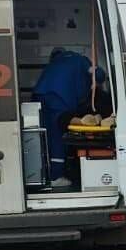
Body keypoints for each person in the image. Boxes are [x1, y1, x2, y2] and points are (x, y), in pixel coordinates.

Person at [32, 46, 92, 182]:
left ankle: (43, 173)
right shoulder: (79, 60)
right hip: (59, 99)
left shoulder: (53, 63)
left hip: (39, 97)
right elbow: (97, 73)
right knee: (57, 136)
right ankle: (56, 176)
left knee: (43, 135)